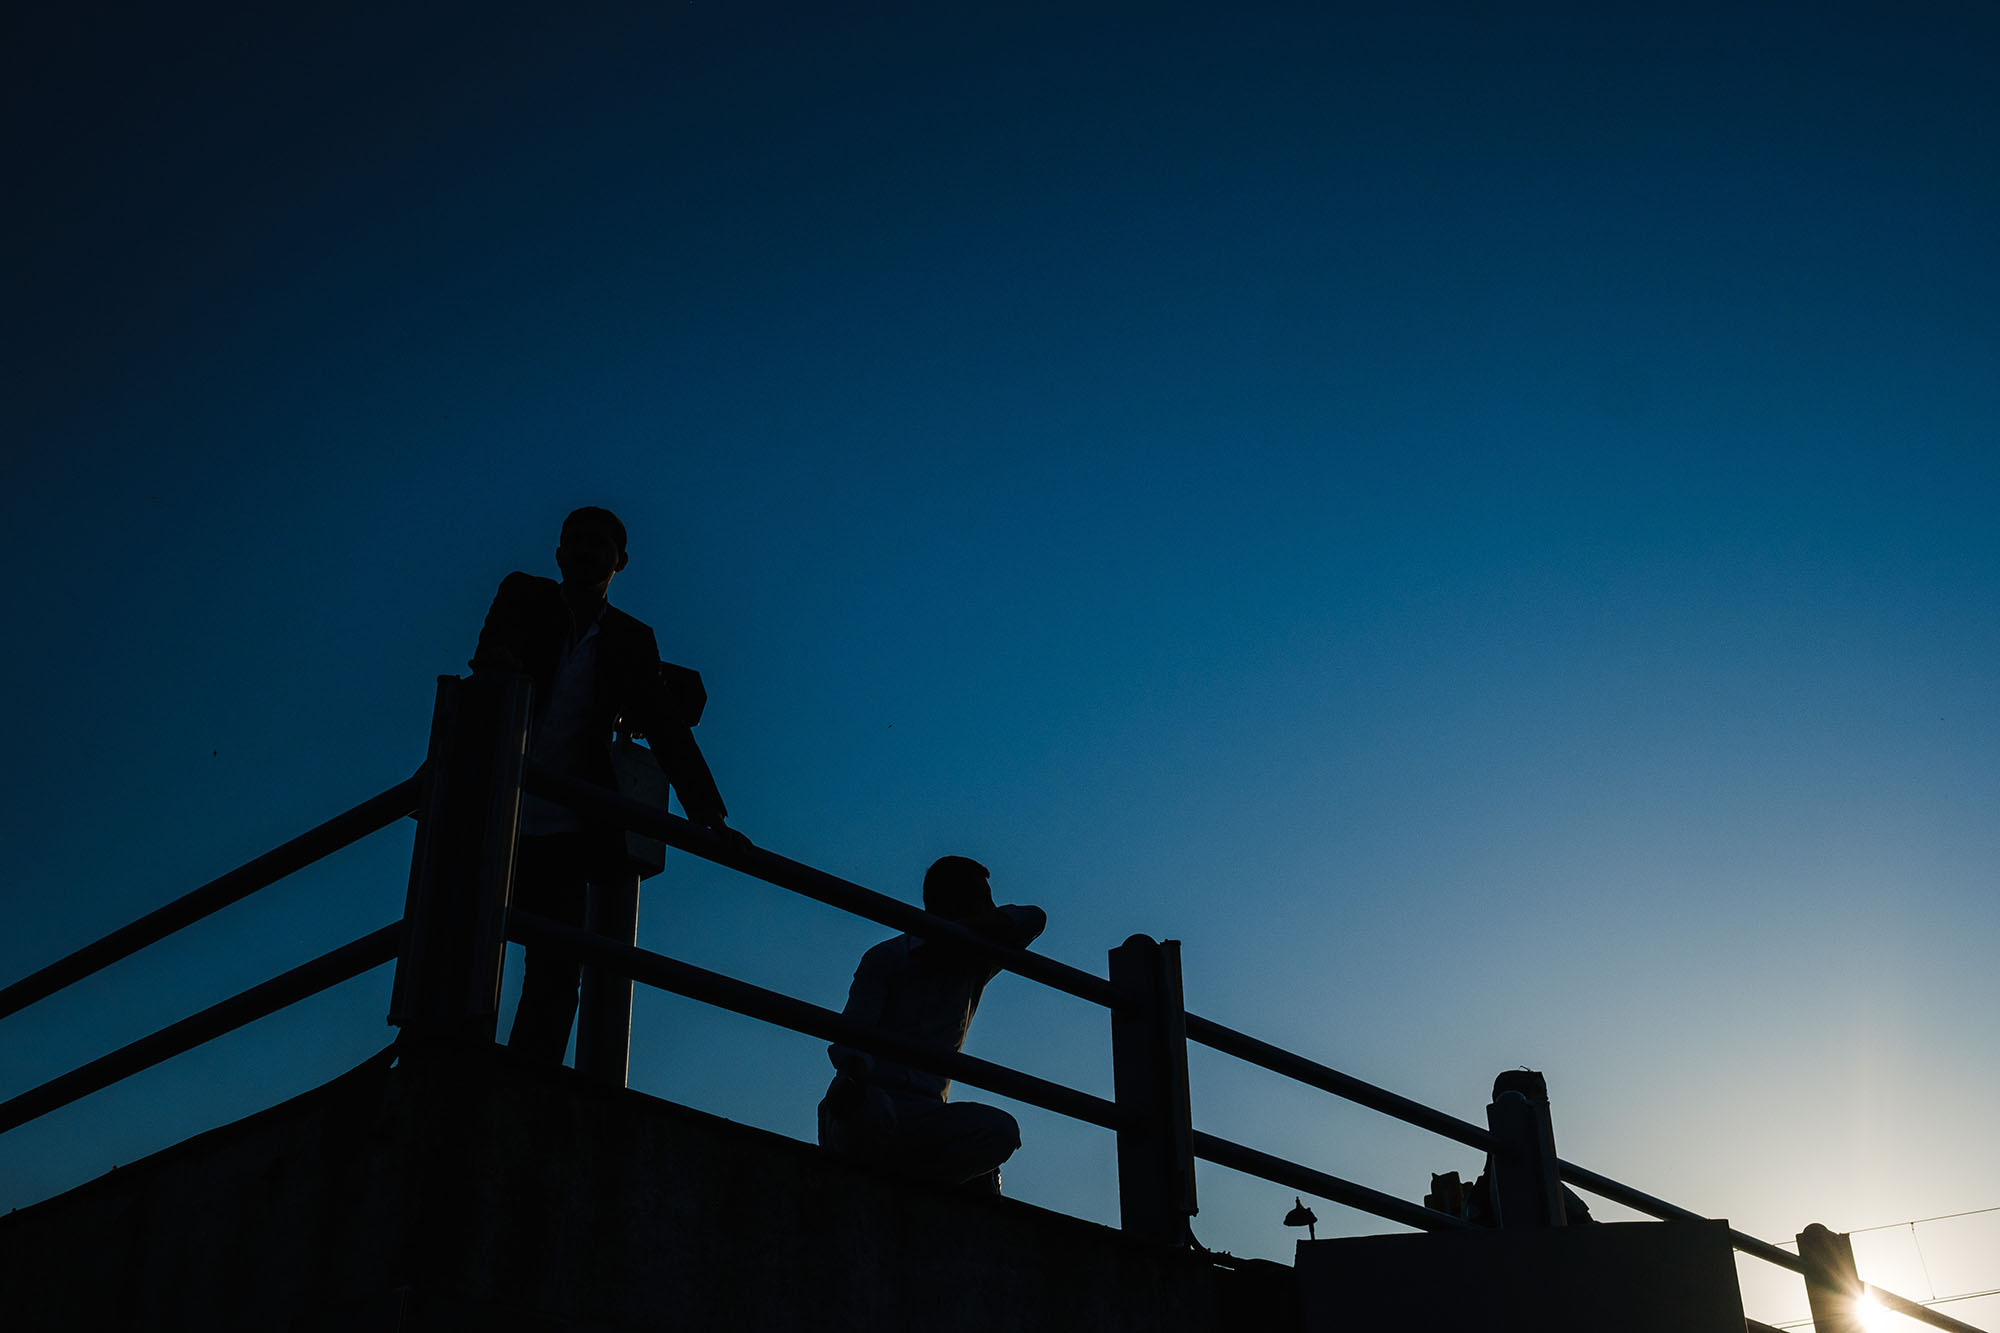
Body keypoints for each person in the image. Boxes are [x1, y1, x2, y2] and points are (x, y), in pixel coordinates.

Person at [471, 505, 739, 1064]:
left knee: (557, 964)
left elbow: (665, 726)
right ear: (558, 553)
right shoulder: (524, 596)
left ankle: (527, 1080)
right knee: (466, 943)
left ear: (621, 561)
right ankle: (452, 1063)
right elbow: (492, 656)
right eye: (575, 540)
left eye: (599, 543)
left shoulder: (631, 638)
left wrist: (710, 819)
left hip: (567, 825)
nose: (585, 550)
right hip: (489, 807)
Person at [818, 856, 1046, 1194]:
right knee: (867, 1117)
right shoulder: (888, 957)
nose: (992, 908)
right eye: (983, 899)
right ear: (956, 902)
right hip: (871, 1100)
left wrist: (961, 933)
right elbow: (854, 1034)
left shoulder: (974, 961)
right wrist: (851, 1081)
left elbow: (1032, 918)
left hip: (925, 1114)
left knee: (1001, 1131)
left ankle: (918, 1190)